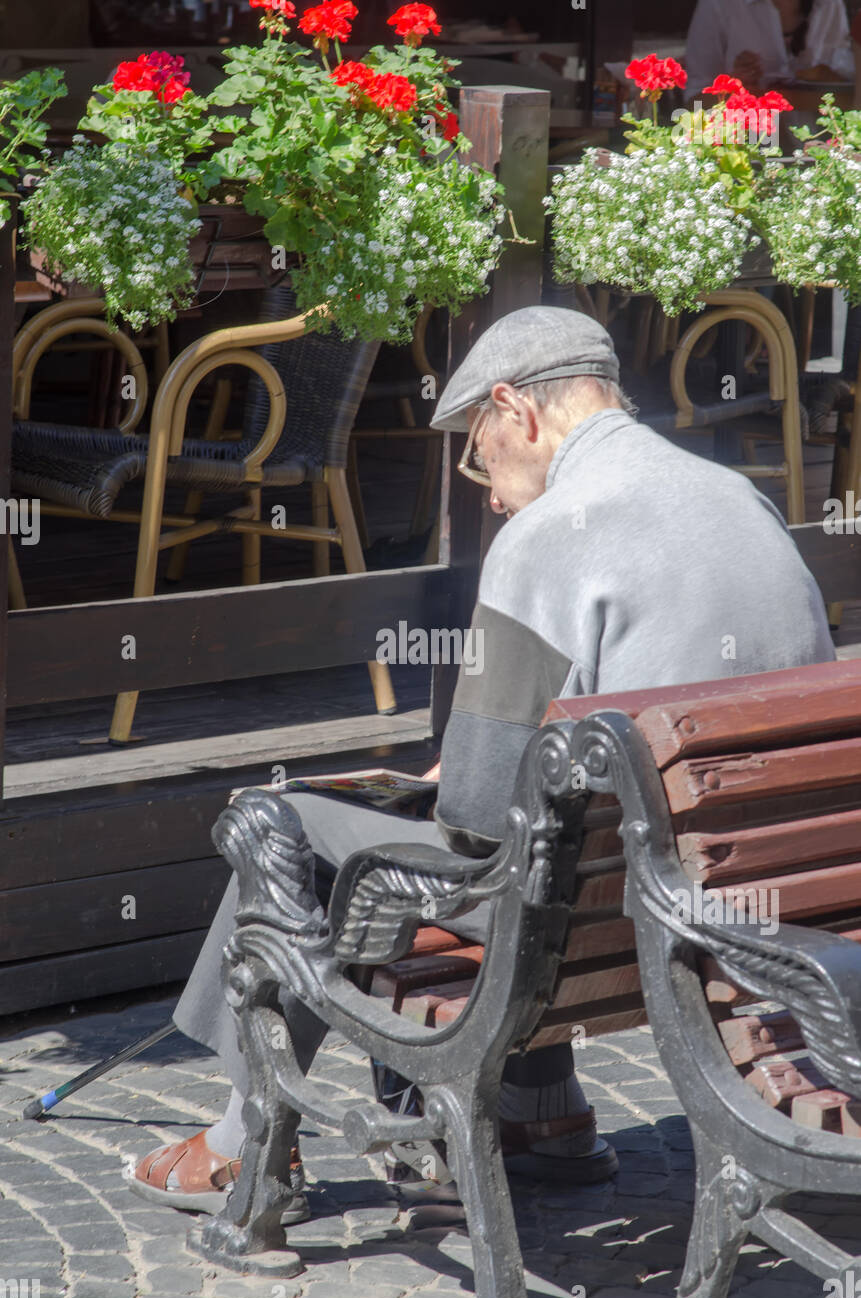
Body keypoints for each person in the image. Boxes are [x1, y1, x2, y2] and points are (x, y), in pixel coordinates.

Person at [128, 306, 836, 1219]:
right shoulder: (738, 497)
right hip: (740, 903)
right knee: (561, 834)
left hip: (596, 915)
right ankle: (543, 1110)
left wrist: (422, 785)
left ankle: (239, 1145)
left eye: (478, 450)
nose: (487, 487)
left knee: (285, 826)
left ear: (515, 411)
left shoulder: (549, 534)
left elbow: (471, 810)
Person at [684, 0, 853, 101]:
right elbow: (693, 103)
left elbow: (850, 97)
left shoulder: (829, 4)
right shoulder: (720, 4)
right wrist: (733, 87)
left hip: (821, 146)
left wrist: (830, 78)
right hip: (745, 145)